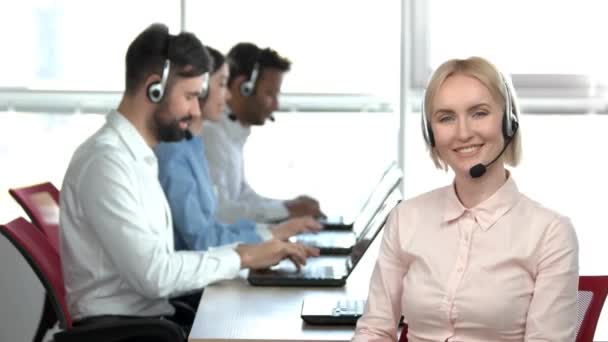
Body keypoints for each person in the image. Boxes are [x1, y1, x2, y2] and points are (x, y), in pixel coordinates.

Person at [59, 24, 318, 336]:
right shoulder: (107, 163)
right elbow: (155, 275)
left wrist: (249, 251)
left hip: (152, 322)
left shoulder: (136, 158)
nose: (196, 109)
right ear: (154, 88)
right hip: (126, 333)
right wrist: (243, 255)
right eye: (191, 96)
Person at [352, 57, 579, 341]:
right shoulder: (406, 218)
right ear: (430, 133)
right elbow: (375, 329)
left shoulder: (550, 232)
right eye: (446, 117)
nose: (462, 133)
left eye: (479, 113)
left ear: (508, 122)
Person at [155, 46, 322, 252]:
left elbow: (234, 204)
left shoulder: (198, 144)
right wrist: (273, 233)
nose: (227, 97)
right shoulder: (200, 142)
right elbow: (212, 225)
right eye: (222, 85)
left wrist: (276, 229)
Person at [201, 42, 324, 224]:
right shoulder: (211, 135)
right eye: (270, 93)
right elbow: (220, 212)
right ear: (243, 87)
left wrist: (289, 206)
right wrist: (286, 210)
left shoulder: (232, 135)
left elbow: (242, 196)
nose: (275, 105)